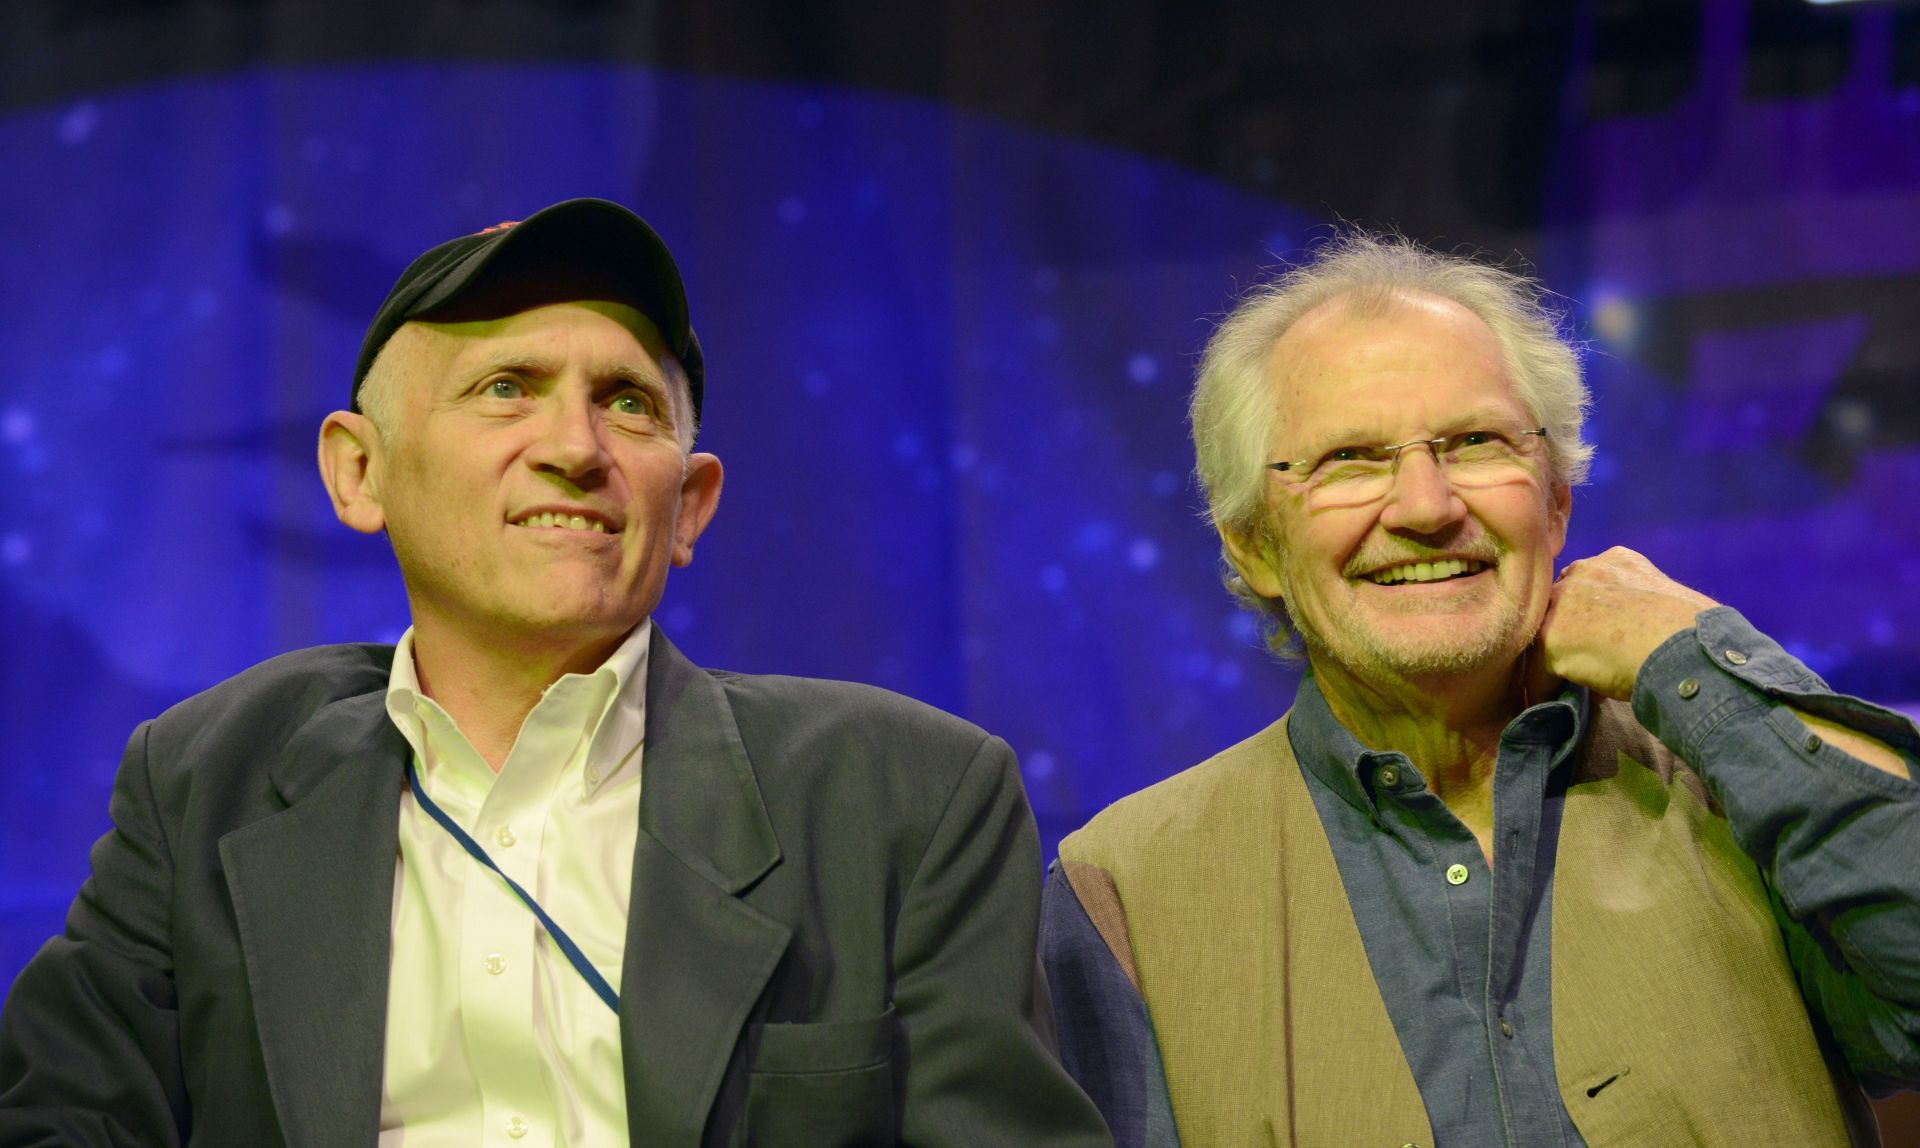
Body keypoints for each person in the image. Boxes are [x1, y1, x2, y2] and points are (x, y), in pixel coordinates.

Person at [0, 198, 1110, 1147]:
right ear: (357, 470)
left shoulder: (903, 795)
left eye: (628, 401)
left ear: (692, 504)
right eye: (505, 387)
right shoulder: (205, 777)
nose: (576, 445)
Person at [1041, 233, 1920, 1147]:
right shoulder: (1123, 891)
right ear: (1255, 543)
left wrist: (1689, 655)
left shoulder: (1735, 780)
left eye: (1474, 442)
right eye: (1350, 458)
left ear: (1555, 504)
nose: (1425, 507)